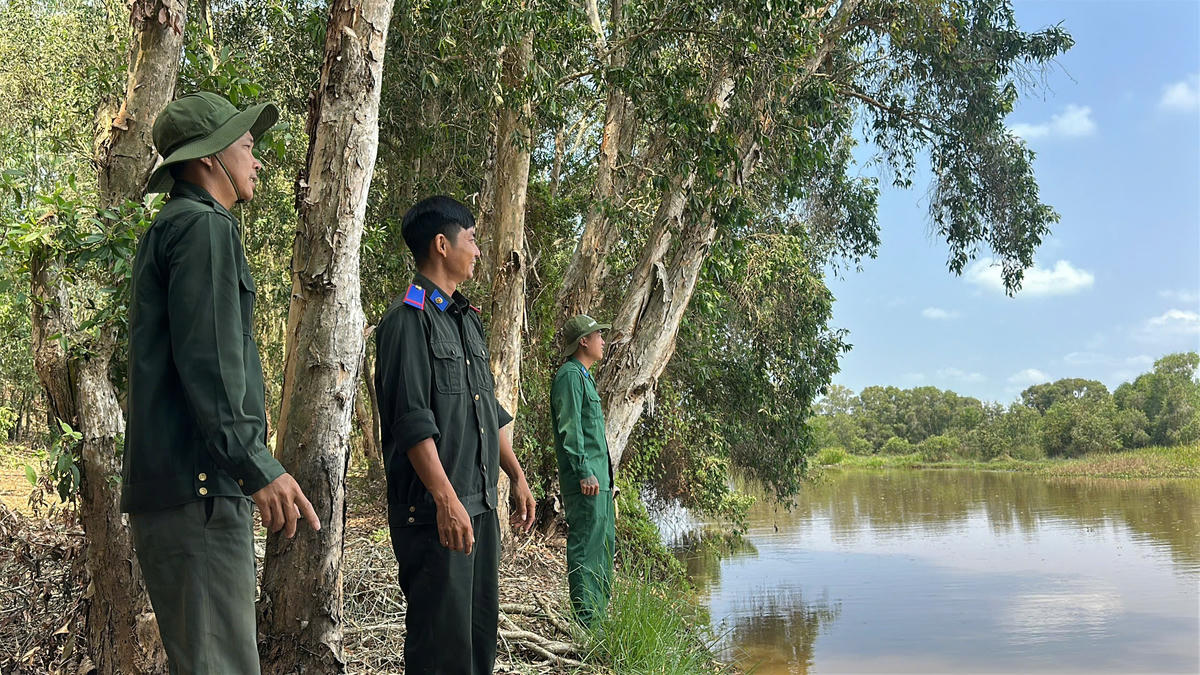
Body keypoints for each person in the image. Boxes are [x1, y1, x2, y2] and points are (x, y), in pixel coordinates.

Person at [121, 91, 321, 674]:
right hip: (199, 490)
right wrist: (255, 463)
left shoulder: (174, 227)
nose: (257, 161)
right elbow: (208, 361)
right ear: (210, 157)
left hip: (190, 490)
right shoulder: (204, 227)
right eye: (248, 146)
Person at [375, 195, 537, 675]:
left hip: (480, 508)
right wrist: (446, 501)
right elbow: (412, 424)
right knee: (441, 652)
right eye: (472, 239)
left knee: (477, 644)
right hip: (436, 514)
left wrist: (518, 478)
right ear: (441, 245)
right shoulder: (407, 321)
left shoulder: (467, 322)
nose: (479, 250)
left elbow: (488, 412)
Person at [550, 314, 616, 627]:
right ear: (583, 342)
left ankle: (599, 621)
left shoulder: (585, 377)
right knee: (585, 550)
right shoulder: (569, 376)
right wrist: (583, 470)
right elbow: (570, 428)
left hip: (600, 482)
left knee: (602, 549)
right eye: (597, 335)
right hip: (587, 481)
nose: (603, 340)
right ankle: (587, 623)